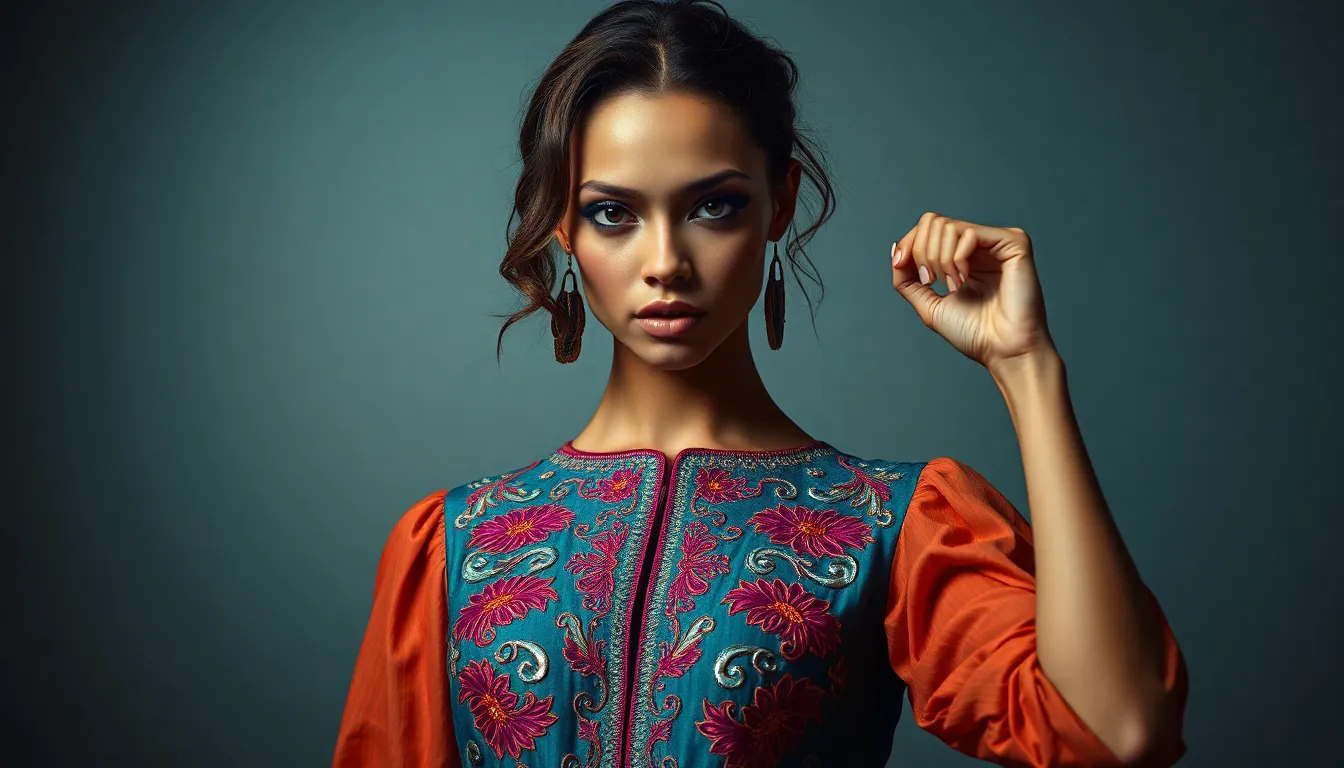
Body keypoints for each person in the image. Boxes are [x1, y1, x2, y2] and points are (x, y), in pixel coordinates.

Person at [333, 1, 1188, 766]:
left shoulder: (890, 525)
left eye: (713, 206)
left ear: (779, 204)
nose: (665, 262)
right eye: (613, 212)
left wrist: (1026, 368)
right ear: (563, 223)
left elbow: (1117, 732)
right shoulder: (456, 546)